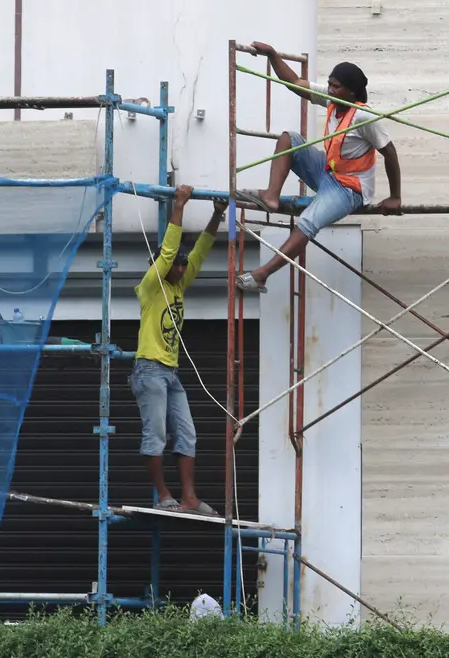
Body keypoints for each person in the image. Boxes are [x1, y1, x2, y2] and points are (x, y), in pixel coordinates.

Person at [234, 41, 403, 293]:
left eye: (337, 87)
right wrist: (272, 54)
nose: (331, 90)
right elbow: (294, 83)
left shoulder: (364, 117)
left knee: (308, 220)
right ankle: (271, 196)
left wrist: (395, 197)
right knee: (289, 139)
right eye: (330, 85)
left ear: (352, 92)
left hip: (349, 188)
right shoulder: (331, 100)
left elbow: (390, 153)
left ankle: (263, 274)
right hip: (328, 172)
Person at [132, 184, 226, 516]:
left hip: (170, 372)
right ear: (163, 263)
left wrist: (217, 215)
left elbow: (199, 251)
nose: (183, 268)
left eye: (184, 265)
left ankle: (188, 497)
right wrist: (180, 206)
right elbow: (170, 250)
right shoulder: (151, 285)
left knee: (188, 434)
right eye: (177, 264)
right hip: (150, 369)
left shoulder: (178, 285)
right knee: (155, 435)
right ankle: (163, 494)